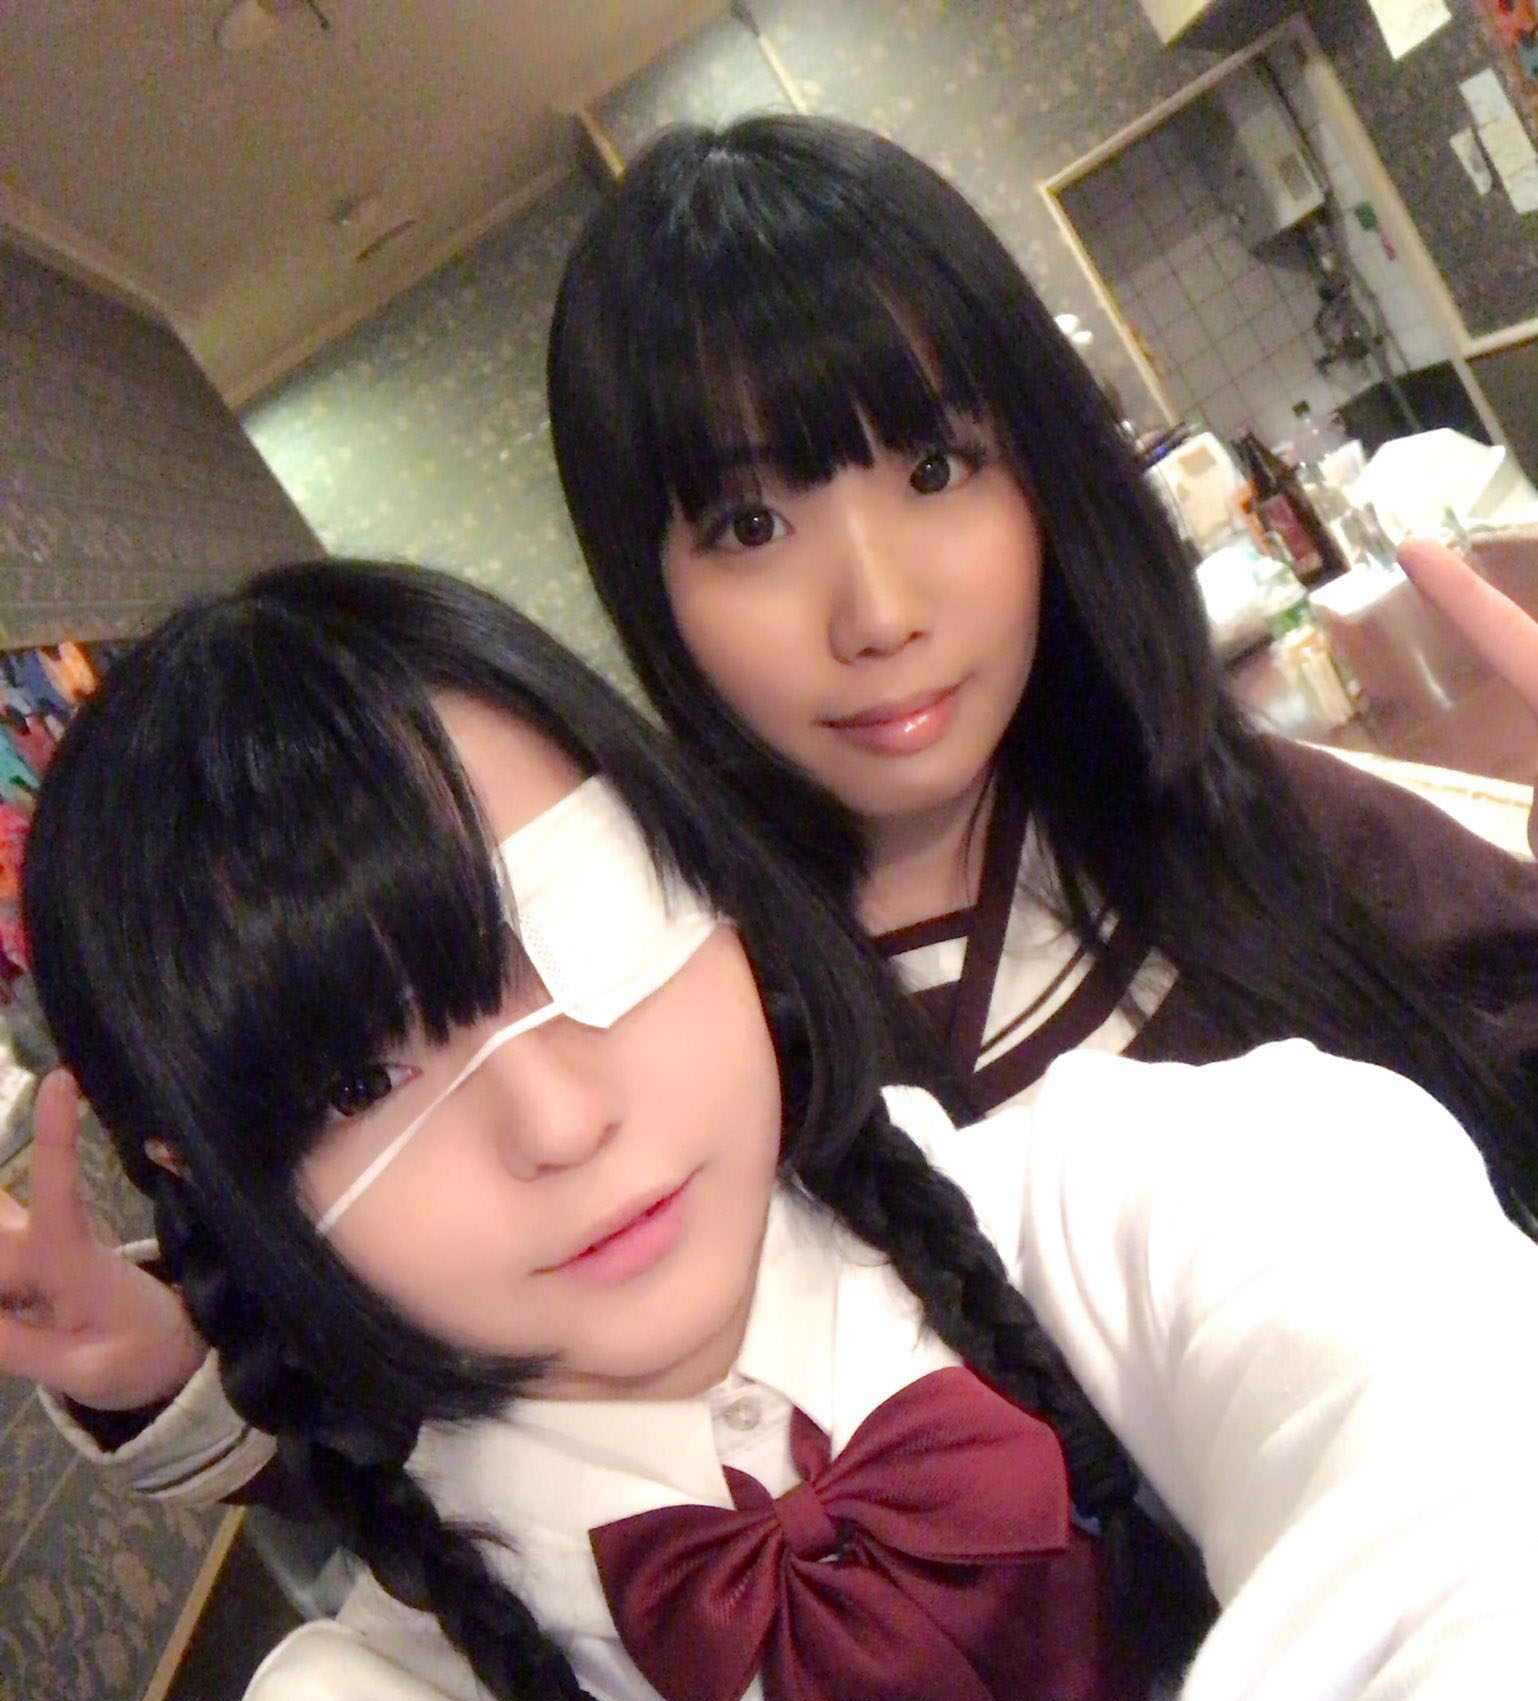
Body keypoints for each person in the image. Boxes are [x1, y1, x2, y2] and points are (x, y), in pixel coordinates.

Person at [17, 558, 1538, 1701]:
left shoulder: (1186, 1185)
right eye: (355, 1083)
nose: (558, 1118)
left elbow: (1458, 1557)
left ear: (699, 867)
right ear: (218, 1183)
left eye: (580, 923)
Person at [546, 113, 1538, 1212]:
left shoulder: (1237, 821)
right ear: (647, 592)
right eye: (749, 527)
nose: (878, 616)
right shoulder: (726, 1073)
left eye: (934, 470)